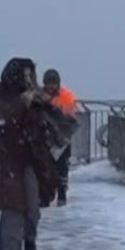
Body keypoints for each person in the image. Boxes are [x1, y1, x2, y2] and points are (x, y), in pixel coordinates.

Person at [0, 58, 61, 250]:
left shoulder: (36, 94)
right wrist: (22, 102)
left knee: (32, 204)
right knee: (12, 206)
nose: (29, 79)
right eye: (26, 74)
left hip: (31, 157)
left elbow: (47, 124)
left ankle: (30, 237)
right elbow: (0, 120)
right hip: (7, 157)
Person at [42, 68, 78, 206]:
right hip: (44, 136)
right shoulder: (39, 95)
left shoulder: (66, 96)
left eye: (53, 83)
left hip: (62, 136)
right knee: (45, 166)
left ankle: (62, 194)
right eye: (48, 83)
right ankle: (46, 194)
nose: (51, 86)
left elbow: (69, 116)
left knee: (62, 166)